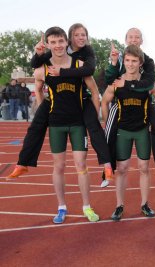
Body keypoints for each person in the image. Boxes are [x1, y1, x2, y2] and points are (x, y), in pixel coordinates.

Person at [7, 23, 113, 182]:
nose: (80, 38)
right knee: (35, 128)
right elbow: (36, 71)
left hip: (80, 99)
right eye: (76, 35)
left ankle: (107, 164)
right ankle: (23, 163)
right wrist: (37, 54)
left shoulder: (85, 53)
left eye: (83, 35)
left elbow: (90, 74)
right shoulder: (48, 58)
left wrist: (95, 110)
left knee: (95, 128)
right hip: (54, 101)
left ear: (66, 42)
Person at [34, 26, 100, 223]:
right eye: (53, 42)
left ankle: (87, 207)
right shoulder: (43, 69)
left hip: (78, 122)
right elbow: (38, 89)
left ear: (66, 42)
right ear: (47, 44)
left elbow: (95, 91)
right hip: (56, 124)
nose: (57, 45)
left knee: (81, 164)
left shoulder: (79, 65)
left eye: (60, 41)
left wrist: (94, 117)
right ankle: (61, 207)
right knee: (59, 166)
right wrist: (42, 111)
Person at [103, 27, 155, 184]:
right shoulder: (118, 58)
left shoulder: (147, 61)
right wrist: (114, 63)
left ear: (142, 41)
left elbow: (149, 82)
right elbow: (109, 81)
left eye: (137, 37)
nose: (134, 40)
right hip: (122, 104)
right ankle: (107, 173)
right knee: (108, 134)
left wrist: (128, 84)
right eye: (131, 37)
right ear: (126, 40)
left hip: (143, 101)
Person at [102, 45, 155, 220]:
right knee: (122, 169)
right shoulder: (117, 82)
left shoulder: (147, 83)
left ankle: (144, 204)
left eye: (134, 61)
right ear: (123, 61)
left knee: (144, 168)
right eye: (127, 60)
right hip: (123, 131)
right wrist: (108, 123)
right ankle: (119, 206)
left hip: (142, 130)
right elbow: (104, 102)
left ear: (140, 62)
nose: (131, 64)